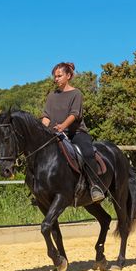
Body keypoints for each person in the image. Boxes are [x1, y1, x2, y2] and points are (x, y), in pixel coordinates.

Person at [41, 62, 105, 202]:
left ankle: (94, 186)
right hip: (55, 134)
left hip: (76, 133)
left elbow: (74, 114)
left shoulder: (76, 93)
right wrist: (41, 130)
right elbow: (46, 117)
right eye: (55, 76)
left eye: (59, 76)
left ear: (68, 76)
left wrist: (62, 126)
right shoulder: (51, 96)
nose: (56, 79)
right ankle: (42, 190)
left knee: (87, 152)